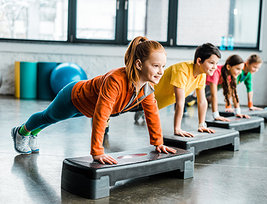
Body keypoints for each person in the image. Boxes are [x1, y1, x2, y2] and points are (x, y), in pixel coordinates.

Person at [11, 36, 176, 164]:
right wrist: (97, 152)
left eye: (163, 66)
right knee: (48, 116)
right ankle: (21, 132)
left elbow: (152, 114)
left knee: (53, 119)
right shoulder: (116, 80)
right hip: (73, 97)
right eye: (156, 66)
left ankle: (34, 133)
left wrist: (158, 143)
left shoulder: (146, 89)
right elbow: (102, 115)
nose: (161, 71)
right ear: (139, 64)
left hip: (86, 108)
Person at [135, 43, 221, 137]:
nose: (215, 67)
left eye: (216, 63)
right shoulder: (182, 70)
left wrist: (201, 125)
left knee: (146, 109)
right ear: (199, 61)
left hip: (154, 104)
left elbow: (202, 101)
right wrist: (177, 129)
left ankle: (142, 112)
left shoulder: (202, 74)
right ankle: (141, 111)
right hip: (141, 98)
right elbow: (180, 103)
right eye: (211, 63)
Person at [206, 54, 250, 121]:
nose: (240, 72)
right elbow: (213, 95)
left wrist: (238, 112)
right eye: (238, 69)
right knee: (191, 98)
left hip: (208, 86)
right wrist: (216, 115)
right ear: (229, 67)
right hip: (200, 85)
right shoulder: (216, 72)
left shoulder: (231, 75)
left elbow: (234, 93)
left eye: (241, 70)